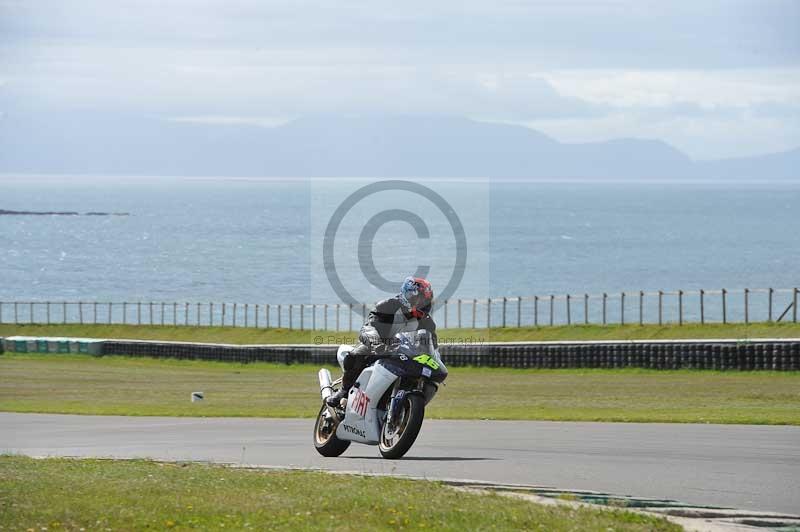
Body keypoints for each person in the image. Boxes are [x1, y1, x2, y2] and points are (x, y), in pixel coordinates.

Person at [326, 276, 437, 407]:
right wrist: (376, 343)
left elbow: (431, 347)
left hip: (404, 353)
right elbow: (369, 327)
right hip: (379, 346)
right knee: (356, 355)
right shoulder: (387, 306)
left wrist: (434, 360)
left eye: (425, 300)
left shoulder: (428, 323)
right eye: (418, 299)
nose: (421, 303)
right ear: (408, 296)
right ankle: (343, 391)